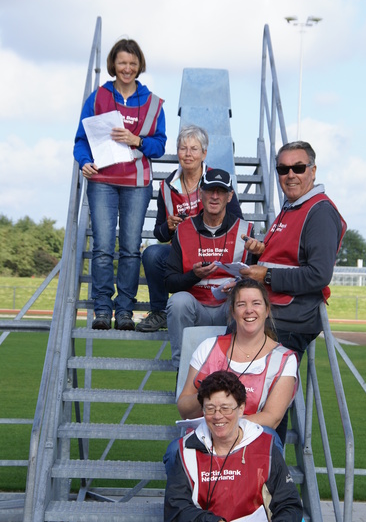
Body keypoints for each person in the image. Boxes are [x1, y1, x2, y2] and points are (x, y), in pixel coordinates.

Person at [155, 370, 303, 522]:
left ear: (241, 408)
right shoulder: (185, 450)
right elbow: (176, 511)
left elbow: (290, 507)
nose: (217, 416)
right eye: (210, 408)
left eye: (226, 408)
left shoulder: (264, 448)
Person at [74, 38, 166, 331]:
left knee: (129, 248)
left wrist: (136, 140)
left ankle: (124, 309)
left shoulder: (153, 103)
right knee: (102, 247)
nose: (127, 68)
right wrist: (83, 160)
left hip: (136, 183)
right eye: (122, 62)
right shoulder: (98, 97)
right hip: (101, 180)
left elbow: (160, 145)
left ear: (140, 65)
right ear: (113, 63)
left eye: (133, 63)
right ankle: (103, 308)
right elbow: (81, 139)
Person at [241, 141, 346, 359]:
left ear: (313, 171)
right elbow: (282, 258)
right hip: (270, 313)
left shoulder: (320, 212)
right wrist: (258, 254)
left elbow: (319, 275)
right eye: (283, 169)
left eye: (298, 168)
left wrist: (267, 275)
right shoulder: (291, 207)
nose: (290, 175)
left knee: (250, 383)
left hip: (290, 321)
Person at [137, 125, 242, 333]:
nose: (188, 154)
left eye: (194, 149)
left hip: (215, 248)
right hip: (183, 252)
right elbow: (159, 233)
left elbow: (237, 220)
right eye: (183, 148)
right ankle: (159, 311)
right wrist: (168, 226)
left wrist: (200, 221)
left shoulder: (217, 179)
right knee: (151, 254)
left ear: (204, 153)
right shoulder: (167, 186)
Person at [177, 278, 298, 447]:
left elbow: (272, 418)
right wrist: (209, 393)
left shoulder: (284, 359)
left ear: (267, 310)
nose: (249, 310)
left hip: (251, 438)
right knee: (173, 451)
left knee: (270, 438)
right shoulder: (208, 347)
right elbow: (184, 409)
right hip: (208, 435)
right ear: (233, 312)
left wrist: (227, 427)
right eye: (241, 304)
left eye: (256, 303)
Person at [164, 168, 253, 368]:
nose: (215, 196)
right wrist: (193, 276)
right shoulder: (184, 230)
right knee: (178, 302)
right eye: (210, 190)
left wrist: (239, 284)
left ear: (230, 196)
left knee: (244, 298)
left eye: (221, 191)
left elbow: (255, 279)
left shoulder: (245, 230)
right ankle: (183, 369)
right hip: (196, 306)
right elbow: (169, 281)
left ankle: (237, 367)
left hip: (227, 306)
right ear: (200, 193)